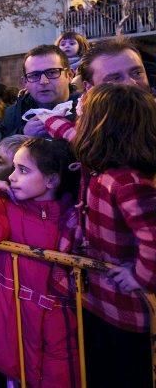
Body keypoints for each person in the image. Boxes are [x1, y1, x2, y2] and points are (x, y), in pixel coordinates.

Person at [0, 138, 79, 388]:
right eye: (14, 167)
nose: (12, 177)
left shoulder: (71, 216)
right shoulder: (10, 208)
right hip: (12, 317)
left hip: (56, 324)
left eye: (23, 170)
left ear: (52, 180)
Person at [70, 84, 156, 388]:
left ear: (102, 126)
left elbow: (153, 236)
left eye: (85, 116)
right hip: (102, 301)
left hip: (128, 310)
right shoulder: (102, 172)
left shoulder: (127, 181)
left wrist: (141, 276)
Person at [1, 45, 80, 137]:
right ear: (25, 82)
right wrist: (22, 134)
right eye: (34, 75)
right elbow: (1, 148)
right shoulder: (12, 114)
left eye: (52, 72)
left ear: (69, 75)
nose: (43, 81)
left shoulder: (89, 109)